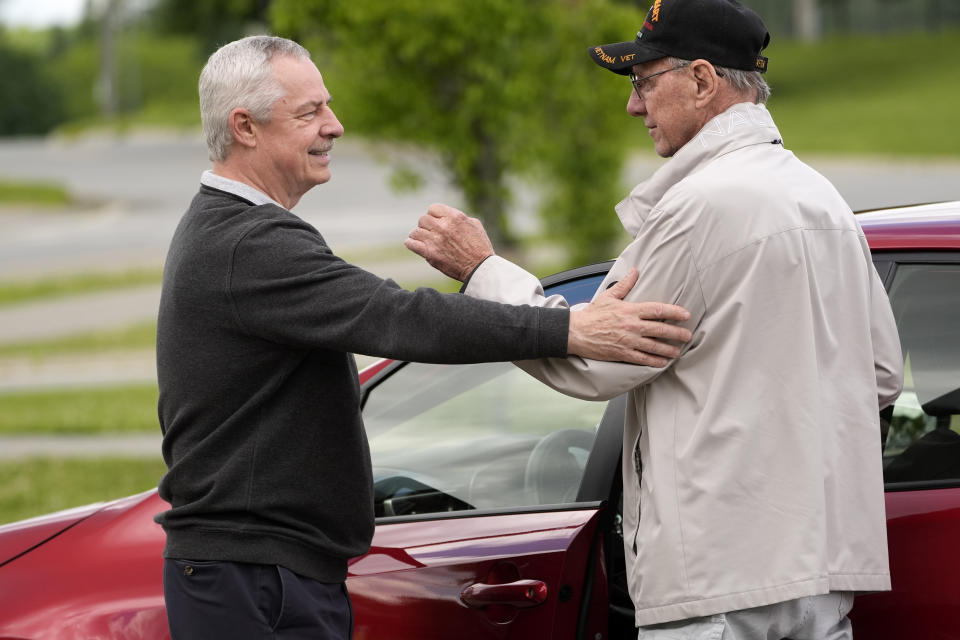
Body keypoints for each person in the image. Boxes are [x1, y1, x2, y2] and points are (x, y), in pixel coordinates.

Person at [154, 35, 693, 640]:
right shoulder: (246, 244)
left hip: (267, 571)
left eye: (326, 105)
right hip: (252, 579)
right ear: (245, 127)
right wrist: (571, 327)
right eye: (309, 113)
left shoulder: (238, 233)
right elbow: (401, 318)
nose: (334, 126)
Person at [405, 1, 904, 638]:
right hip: (824, 574)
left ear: (701, 80)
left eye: (644, 81)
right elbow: (883, 376)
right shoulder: (820, 196)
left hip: (720, 577)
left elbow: (593, 360)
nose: (633, 107)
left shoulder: (704, 204)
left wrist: (482, 270)